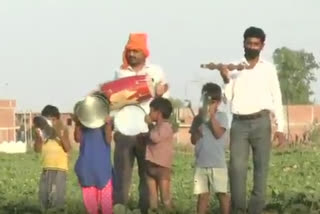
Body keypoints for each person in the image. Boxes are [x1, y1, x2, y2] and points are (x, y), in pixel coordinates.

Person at [218, 26, 286, 214]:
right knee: (237, 169)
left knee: (261, 168)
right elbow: (227, 98)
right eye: (249, 43)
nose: (252, 47)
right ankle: (239, 209)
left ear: (262, 46)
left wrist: (281, 127)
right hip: (239, 123)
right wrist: (225, 79)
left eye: (256, 44)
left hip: (262, 122)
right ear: (244, 44)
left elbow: (277, 98)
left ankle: (256, 210)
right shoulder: (234, 67)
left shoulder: (269, 69)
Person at [113, 33, 169, 213]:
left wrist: (157, 93)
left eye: (136, 51)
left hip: (146, 131)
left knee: (147, 174)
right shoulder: (120, 72)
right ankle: (120, 207)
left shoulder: (156, 71)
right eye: (130, 51)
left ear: (145, 52)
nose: (132, 54)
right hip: (124, 129)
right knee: (122, 174)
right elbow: (115, 99)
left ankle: (144, 209)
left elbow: (164, 102)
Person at [190, 83, 230, 214]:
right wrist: (197, 131)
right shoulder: (197, 119)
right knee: (202, 196)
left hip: (217, 164)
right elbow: (193, 140)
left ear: (217, 103)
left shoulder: (222, 117)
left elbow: (218, 133)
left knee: (222, 194)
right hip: (201, 163)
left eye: (212, 102)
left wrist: (211, 116)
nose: (208, 105)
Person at [33, 105, 71, 212]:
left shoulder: (63, 130)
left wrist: (59, 133)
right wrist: (38, 137)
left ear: (57, 119)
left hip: (60, 169)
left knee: (57, 199)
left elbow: (68, 148)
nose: (51, 123)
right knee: (44, 197)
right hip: (46, 168)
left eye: (53, 120)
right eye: (48, 120)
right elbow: (37, 149)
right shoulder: (44, 132)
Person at [74, 115, 113, 214]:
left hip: (102, 169)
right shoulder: (84, 123)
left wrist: (108, 124)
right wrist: (78, 123)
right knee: (91, 208)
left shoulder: (104, 122)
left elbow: (108, 140)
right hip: (87, 169)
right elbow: (77, 138)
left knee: (106, 207)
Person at [143, 97, 174, 212]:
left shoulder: (166, 127)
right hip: (151, 166)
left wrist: (150, 125)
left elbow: (155, 138)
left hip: (162, 168)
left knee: (165, 199)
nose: (149, 114)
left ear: (159, 113)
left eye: (151, 111)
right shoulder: (156, 127)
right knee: (152, 198)